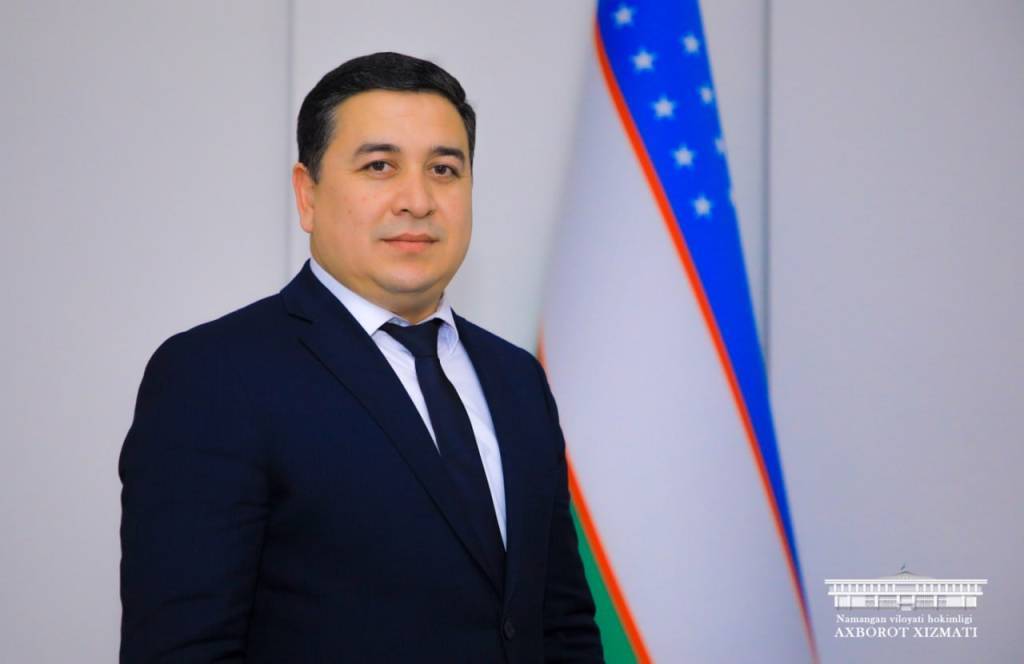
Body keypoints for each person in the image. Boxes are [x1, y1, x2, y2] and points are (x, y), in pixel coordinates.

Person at [119, 51, 604, 663]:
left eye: (444, 169)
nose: (418, 200)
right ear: (308, 194)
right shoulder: (214, 376)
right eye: (380, 166)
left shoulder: (517, 379)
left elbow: (560, 624)